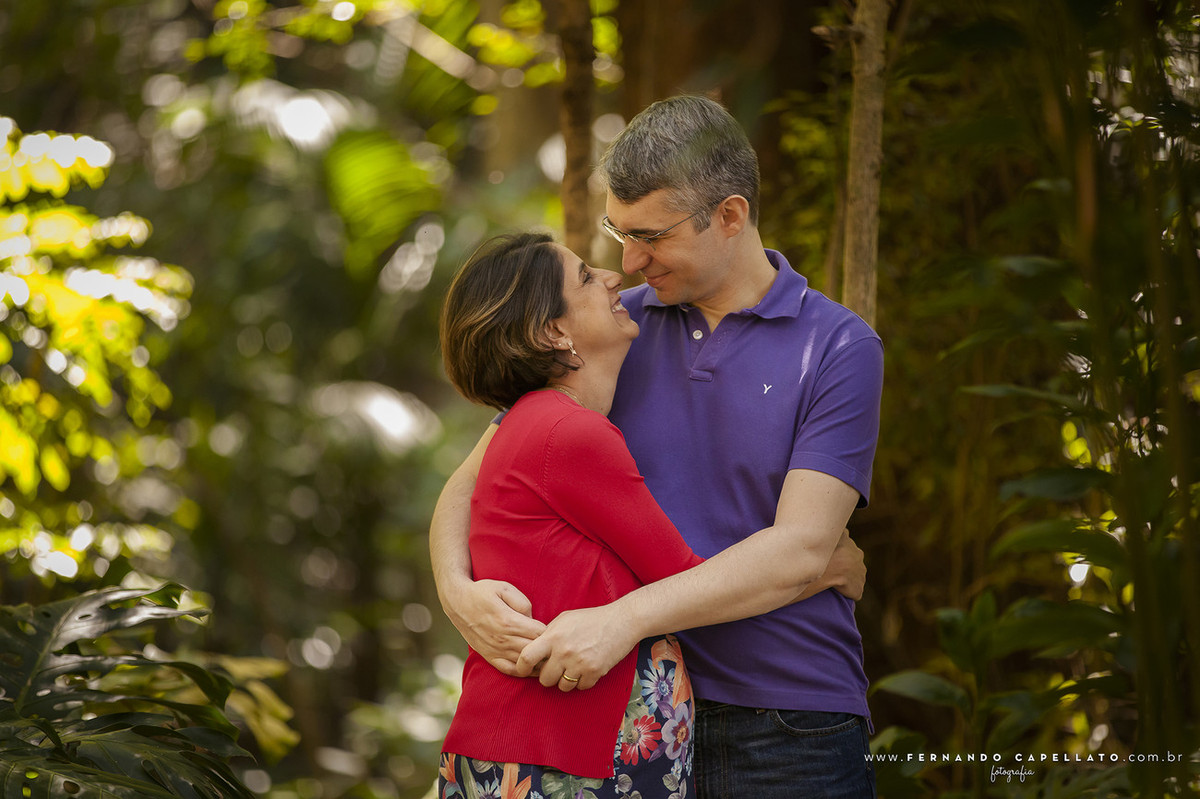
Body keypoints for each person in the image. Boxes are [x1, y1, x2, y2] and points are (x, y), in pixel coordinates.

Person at [432, 95, 883, 799]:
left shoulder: (839, 346)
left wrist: (622, 619)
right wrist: (457, 592)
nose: (628, 260)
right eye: (619, 230)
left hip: (786, 717)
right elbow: (472, 482)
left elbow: (798, 549)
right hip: (628, 711)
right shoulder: (610, 330)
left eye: (652, 235)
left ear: (730, 216)